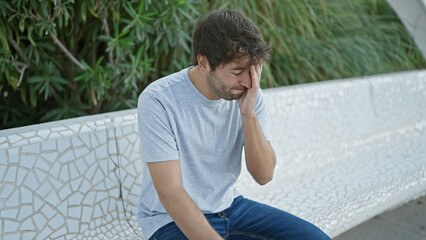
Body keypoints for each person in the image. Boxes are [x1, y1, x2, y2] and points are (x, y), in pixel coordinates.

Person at [137, 10, 331, 240]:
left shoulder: (249, 94)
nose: (248, 82)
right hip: (170, 220)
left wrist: (248, 114)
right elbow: (170, 193)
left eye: (252, 71)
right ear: (203, 63)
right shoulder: (159, 100)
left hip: (231, 208)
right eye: (237, 72)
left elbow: (264, 175)